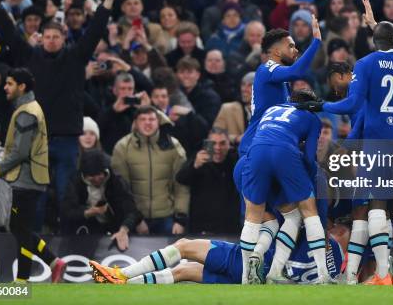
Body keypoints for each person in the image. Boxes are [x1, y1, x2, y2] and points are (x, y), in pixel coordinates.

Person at [300, 0, 393, 285]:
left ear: (374, 41)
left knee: (377, 205)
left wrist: (320, 105)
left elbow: (352, 103)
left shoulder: (366, 63)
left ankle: (382, 274)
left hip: (378, 144)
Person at [0, 0, 124, 207]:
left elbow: (95, 31)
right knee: (35, 196)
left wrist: (108, 0)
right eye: (47, 36)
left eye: (56, 36)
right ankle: (34, 238)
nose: (51, 40)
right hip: (36, 138)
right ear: (41, 38)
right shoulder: (29, 56)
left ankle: (67, 234)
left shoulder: (76, 56)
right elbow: (8, 31)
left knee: (66, 193)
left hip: (67, 138)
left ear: (64, 37)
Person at [234, 19, 321, 284]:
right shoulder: (267, 68)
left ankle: (265, 265)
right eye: (291, 45)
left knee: (281, 218)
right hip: (255, 152)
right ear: (275, 49)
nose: (295, 49)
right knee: (259, 215)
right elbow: (298, 71)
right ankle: (246, 275)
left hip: (265, 152)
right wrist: (316, 42)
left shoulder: (277, 81)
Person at [241, 89, 331, 284]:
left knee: (254, 215)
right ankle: (324, 275)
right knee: (307, 211)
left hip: (252, 156)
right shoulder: (312, 118)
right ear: (312, 105)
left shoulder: (272, 109)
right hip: (285, 153)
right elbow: (308, 156)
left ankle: (246, 278)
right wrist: (306, 176)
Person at [89, 219, 348, 285]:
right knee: (182, 272)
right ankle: (123, 284)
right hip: (255, 281)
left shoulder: (296, 231)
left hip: (248, 264)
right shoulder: (335, 254)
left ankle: (121, 275)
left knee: (183, 246)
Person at [0, 68, 66, 283]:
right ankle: (53, 262)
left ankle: (22, 280)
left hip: (26, 178)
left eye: (10, 83)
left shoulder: (26, 112)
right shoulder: (31, 108)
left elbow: (21, 151)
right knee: (19, 227)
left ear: (22, 87)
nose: (5, 87)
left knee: (21, 230)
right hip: (30, 177)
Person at [111, 106, 189, 235]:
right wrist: (134, 219)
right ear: (135, 123)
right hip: (135, 219)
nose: (148, 123)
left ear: (158, 122)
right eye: (143, 119)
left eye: (152, 119)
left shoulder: (173, 146)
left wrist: (181, 219)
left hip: (167, 218)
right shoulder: (122, 147)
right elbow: (121, 190)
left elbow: (181, 185)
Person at [61, 149, 143, 250]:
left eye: (99, 176)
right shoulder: (75, 182)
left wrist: (124, 230)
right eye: (91, 177)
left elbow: (132, 211)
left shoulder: (116, 181)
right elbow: (66, 212)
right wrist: (87, 212)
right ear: (84, 175)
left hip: (115, 227)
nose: (96, 180)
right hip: (84, 231)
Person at [176, 127, 240, 234]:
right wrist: (194, 166)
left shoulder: (235, 159)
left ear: (229, 145)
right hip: (202, 226)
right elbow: (180, 179)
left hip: (229, 226)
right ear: (207, 144)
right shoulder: (199, 158)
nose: (218, 147)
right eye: (213, 143)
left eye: (222, 143)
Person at [213, 72, 254, 145]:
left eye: (250, 85)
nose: (244, 89)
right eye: (243, 84)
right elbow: (215, 134)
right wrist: (236, 138)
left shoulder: (271, 111)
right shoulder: (227, 109)